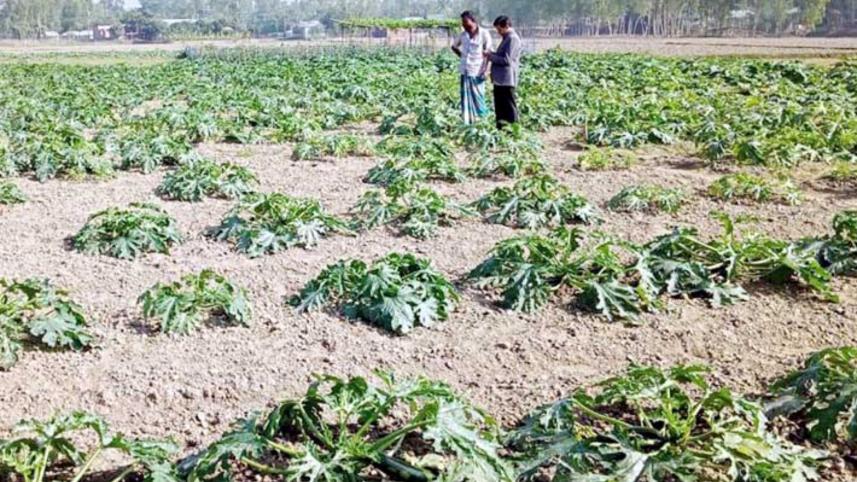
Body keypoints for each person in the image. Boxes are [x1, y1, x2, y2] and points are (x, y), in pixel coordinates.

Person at [451, 11, 492, 124]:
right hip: (465, 70)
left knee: (479, 97)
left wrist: (486, 70)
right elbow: (454, 46)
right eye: (463, 23)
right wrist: (462, 56)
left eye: (466, 22)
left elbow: (488, 53)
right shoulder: (463, 35)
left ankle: (482, 121)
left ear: (473, 21)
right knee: (465, 98)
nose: (464, 25)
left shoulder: (484, 33)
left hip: (478, 70)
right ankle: (468, 121)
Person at [484, 16, 522, 129]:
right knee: (500, 107)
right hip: (500, 79)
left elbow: (507, 60)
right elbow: (501, 56)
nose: (498, 32)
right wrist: (491, 54)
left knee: (509, 107)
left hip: (507, 79)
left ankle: (514, 130)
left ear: (507, 26)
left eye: (500, 29)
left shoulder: (512, 39)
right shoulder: (507, 38)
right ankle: (501, 129)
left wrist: (490, 56)